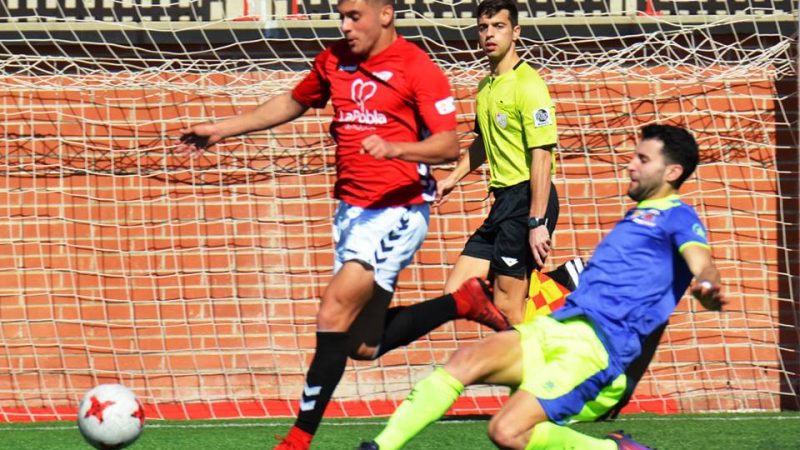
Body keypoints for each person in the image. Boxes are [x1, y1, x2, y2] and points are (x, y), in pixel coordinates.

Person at [176, 1, 515, 448]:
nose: (345, 25)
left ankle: (298, 439)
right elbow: (294, 101)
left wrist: (397, 149)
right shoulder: (334, 59)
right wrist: (223, 128)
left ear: (385, 14)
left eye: (355, 16)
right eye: (341, 15)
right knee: (362, 346)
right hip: (352, 213)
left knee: (334, 308)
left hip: (399, 209)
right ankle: (462, 302)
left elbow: (448, 145)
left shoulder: (417, 67)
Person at [358, 124, 726, 450]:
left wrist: (708, 283)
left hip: (596, 350)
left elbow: (702, 261)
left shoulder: (679, 216)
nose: (630, 165)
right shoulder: (637, 216)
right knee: (464, 360)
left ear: (672, 172)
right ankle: (379, 446)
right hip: (557, 326)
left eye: (643, 159)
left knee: (506, 431)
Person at [434, 0, 560, 324]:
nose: (489, 34)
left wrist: (536, 222)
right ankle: (554, 290)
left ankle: (545, 321)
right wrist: (452, 179)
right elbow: (484, 143)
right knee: (457, 291)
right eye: (483, 27)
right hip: (503, 202)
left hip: (527, 199)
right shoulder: (485, 88)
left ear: (515, 32)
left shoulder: (528, 85)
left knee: (508, 307)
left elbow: (542, 156)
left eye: (498, 26)